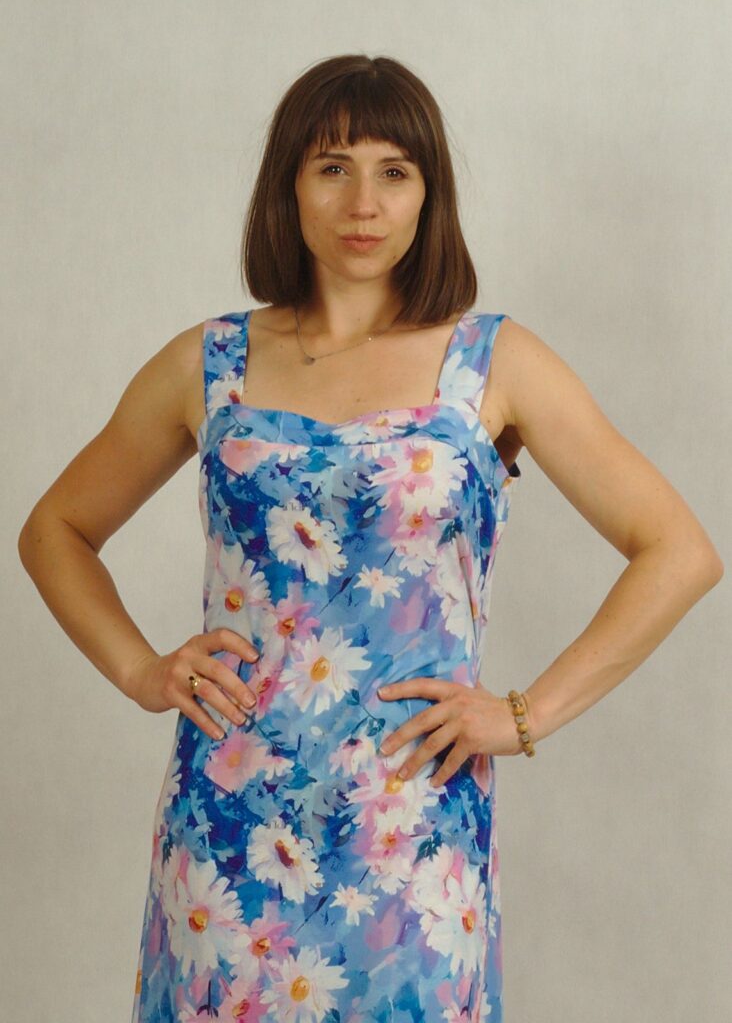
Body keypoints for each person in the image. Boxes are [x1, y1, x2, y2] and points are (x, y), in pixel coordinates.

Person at [17, 53, 723, 1023]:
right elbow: (55, 528)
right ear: (288, 186)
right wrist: (143, 670)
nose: (364, 201)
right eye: (332, 167)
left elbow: (679, 551)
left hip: (414, 835)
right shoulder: (211, 363)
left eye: (395, 170)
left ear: (430, 193)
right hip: (232, 830)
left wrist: (524, 715)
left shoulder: (492, 363)